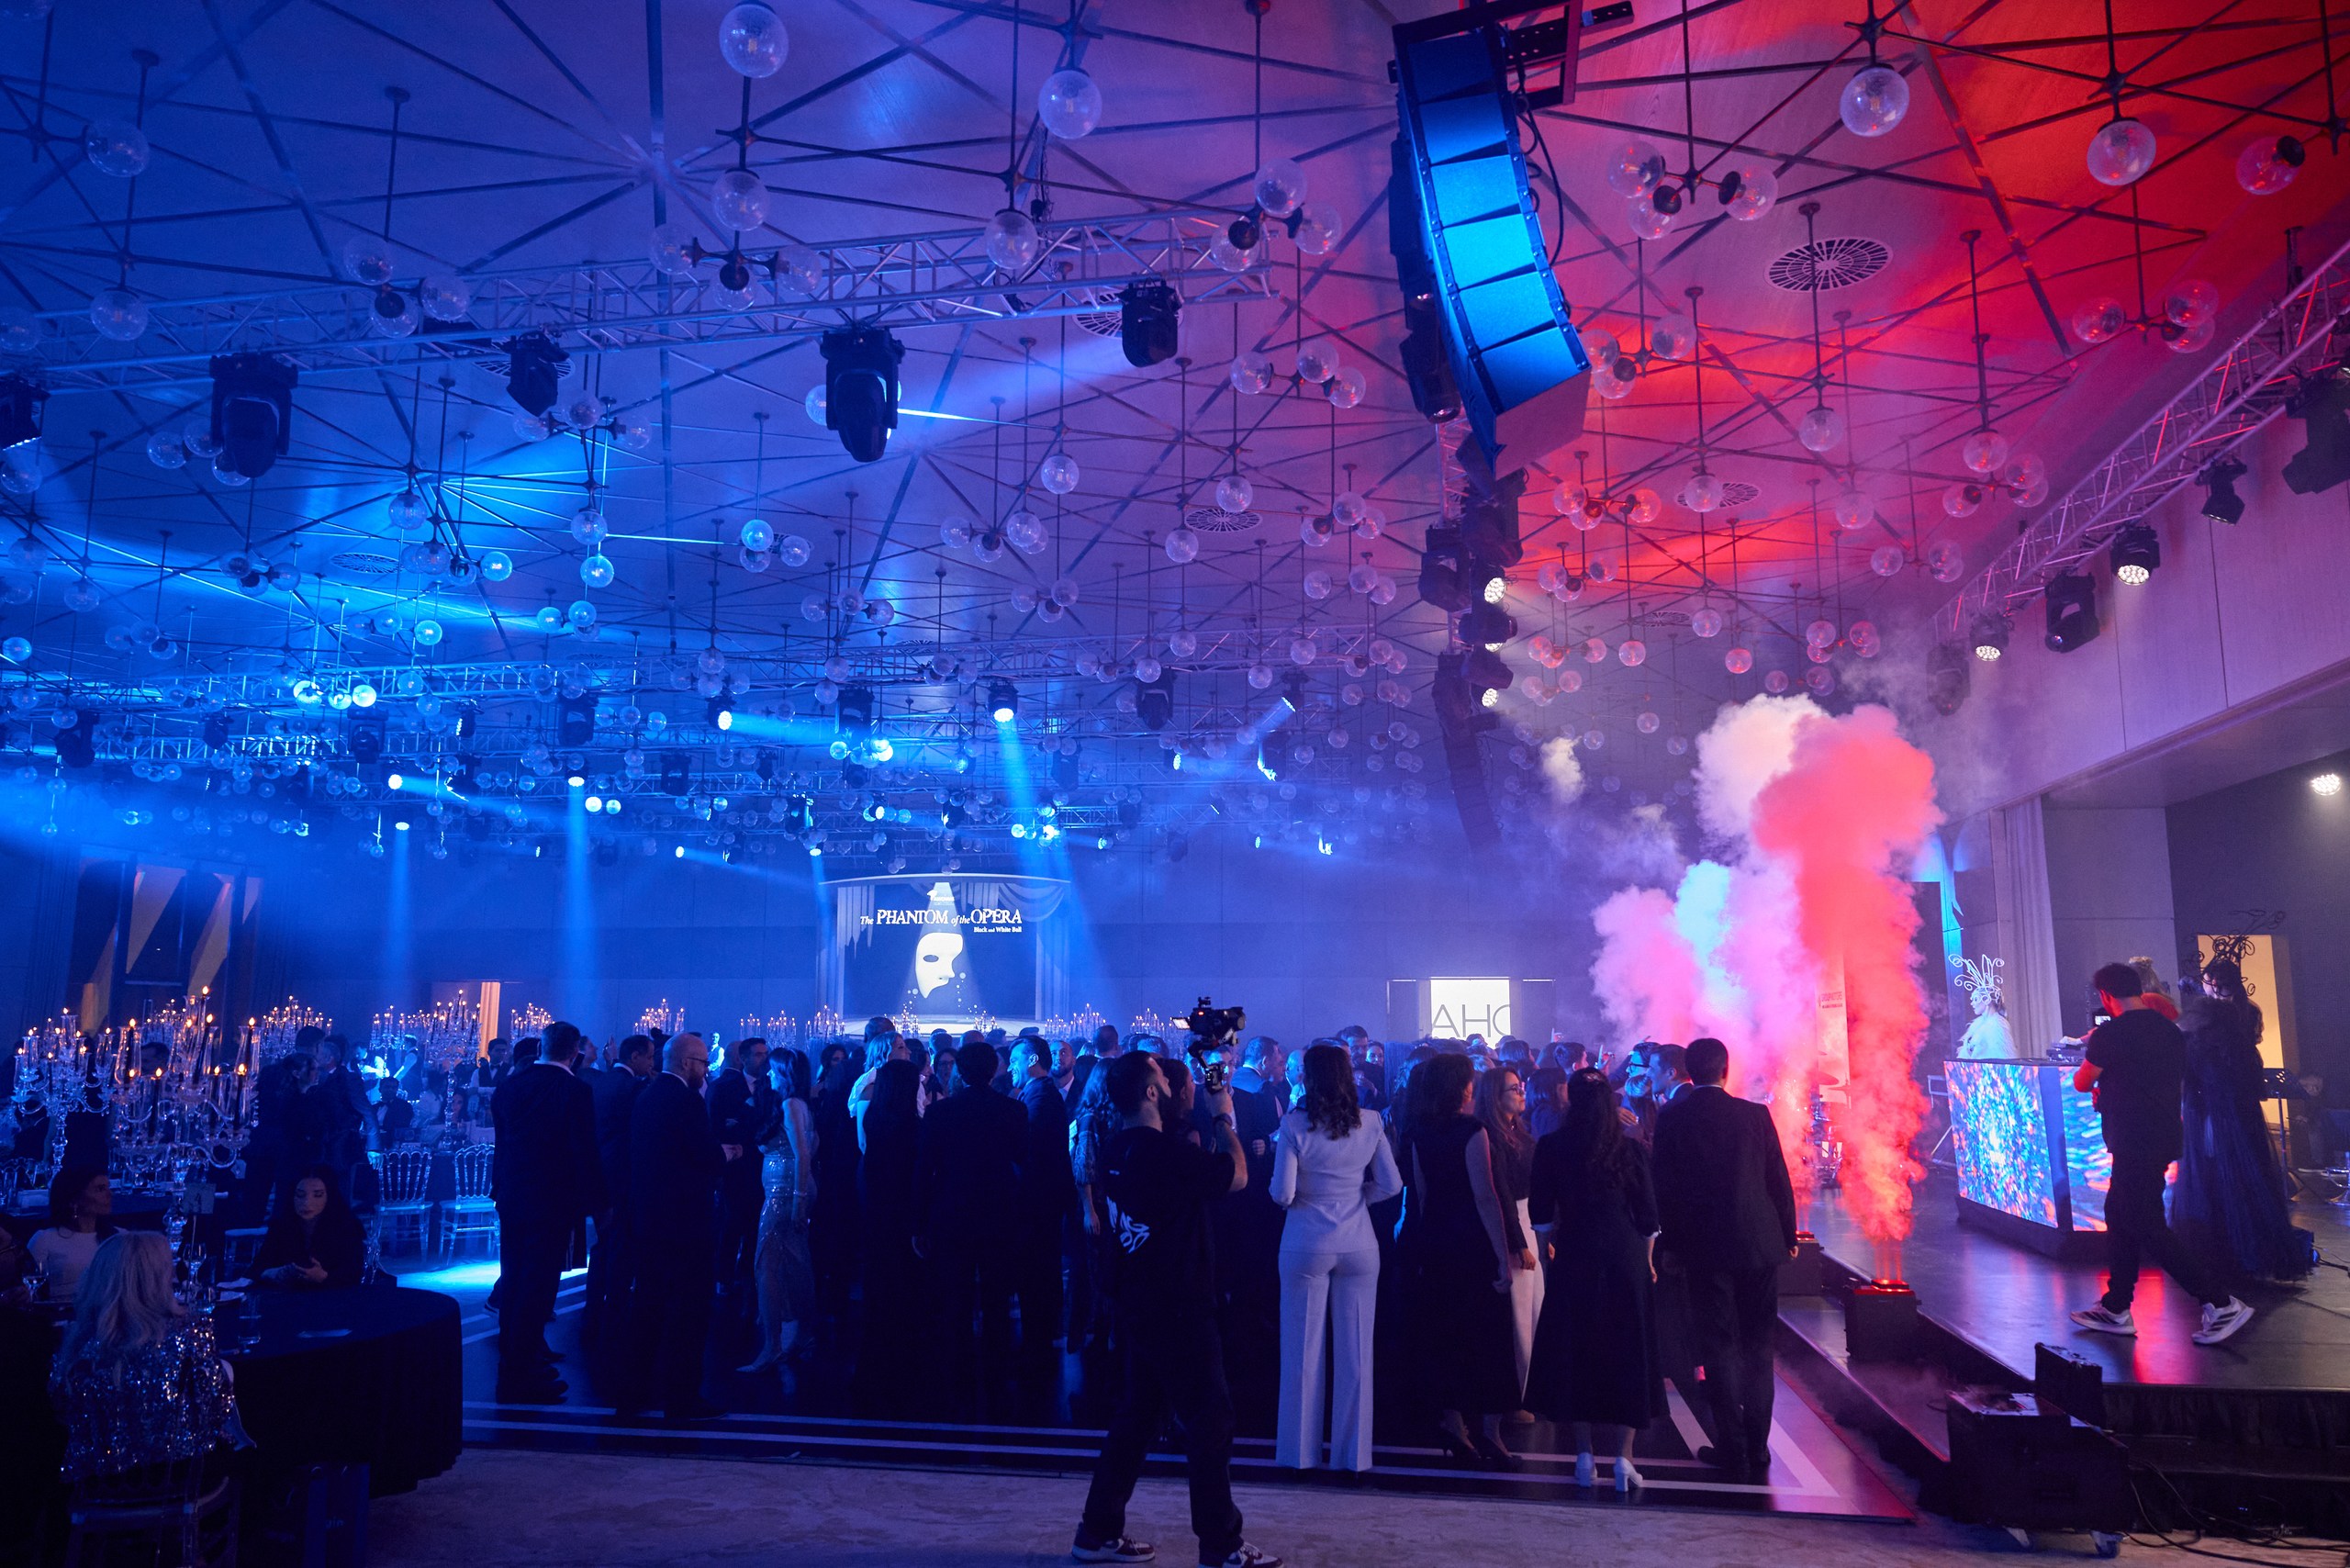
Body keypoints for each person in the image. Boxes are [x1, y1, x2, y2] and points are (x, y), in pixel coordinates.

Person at [1073, 1050, 1279, 1568]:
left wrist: (1211, 1087)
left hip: (1140, 1302)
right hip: (1179, 1305)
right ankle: (1221, 1545)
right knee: (1210, 1421)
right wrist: (1223, 1115)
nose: (1170, 1084)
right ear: (1149, 1093)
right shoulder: (1163, 1153)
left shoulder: (1119, 1147)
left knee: (1137, 1419)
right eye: (1163, 1079)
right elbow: (1236, 1176)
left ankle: (1096, 1532)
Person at [2069, 963, 2255, 1346]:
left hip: (2132, 1139)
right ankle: (2116, 1306)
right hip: (2162, 1135)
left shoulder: (2110, 1034)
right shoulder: (2170, 1030)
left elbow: (2081, 1081)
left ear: (2105, 995)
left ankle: (2220, 1302)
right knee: (2118, 1213)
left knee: (2146, 1224)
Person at [1651, 1037, 1796, 1482]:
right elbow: (1778, 1179)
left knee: (1718, 1348)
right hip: (1759, 1245)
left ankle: (1732, 1449)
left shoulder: (1673, 1117)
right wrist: (1788, 1235)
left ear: (1689, 1072)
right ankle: (1759, 1447)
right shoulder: (1755, 1115)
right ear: (1726, 1070)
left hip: (1704, 1248)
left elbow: (1665, 1189)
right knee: (1759, 1347)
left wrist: (1669, 1246)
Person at [1527, 1069, 1662, 1492]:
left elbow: (1541, 1215)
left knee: (1577, 1350)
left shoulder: (1552, 1146)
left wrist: (1547, 1256)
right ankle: (1624, 1459)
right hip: (1624, 1256)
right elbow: (1648, 1218)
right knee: (1628, 1351)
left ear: (1572, 1101)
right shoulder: (1629, 1148)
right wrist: (1648, 1262)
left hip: (1575, 1254)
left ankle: (1584, 1456)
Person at [1269, 1042, 1400, 1473]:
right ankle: (1353, 1458)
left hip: (1305, 1242)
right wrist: (1358, 1197)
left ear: (1308, 1078)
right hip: (1359, 1240)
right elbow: (1392, 1184)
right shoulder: (1371, 1122)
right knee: (1357, 1354)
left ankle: (1298, 1456)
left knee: (1301, 1353)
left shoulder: (1294, 1124)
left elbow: (1283, 1193)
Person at [1396, 1051, 1521, 1468]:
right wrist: (1502, 1255)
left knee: (1446, 1336)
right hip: (1471, 1241)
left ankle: (1455, 1426)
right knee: (1490, 1337)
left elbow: (1421, 1195)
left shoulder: (1417, 1131)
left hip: (1436, 1241)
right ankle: (1491, 1434)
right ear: (1461, 1088)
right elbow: (1485, 1196)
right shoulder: (1473, 1130)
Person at [50, 1233, 238, 1483]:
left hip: (96, 1486)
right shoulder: (189, 1338)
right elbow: (216, 1412)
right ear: (159, 1279)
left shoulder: (77, 1347)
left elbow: (61, 1413)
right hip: (181, 1481)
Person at [2176, 958, 2314, 1285]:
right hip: (2234, 1104)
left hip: (2217, 1107)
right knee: (2242, 1172)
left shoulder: (2213, 1022)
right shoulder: (2242, 1015)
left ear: (2215, 983)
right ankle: (2246, 1249)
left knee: (2222, 1171)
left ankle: (2226, 1249)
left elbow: (2203, 1068)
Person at [489, 1019, 604, 1403]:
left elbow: (502, 1146)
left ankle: (514, 1365)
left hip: (511, 1197)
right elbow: (584, 1153)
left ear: (541, 1047)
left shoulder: (509, 1086)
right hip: (552, 1200)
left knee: (514, 1279)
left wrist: (499, 1189)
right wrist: (598, 1206)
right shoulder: (575, 1090)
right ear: (574, 1053)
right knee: (538, 1287)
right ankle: (521, 1375)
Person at [916, 1036, 1029, 1416]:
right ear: (994, 1070)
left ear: (960, 1073)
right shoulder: (1013, 1110)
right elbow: (1023, 1160)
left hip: (952, 1213)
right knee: (997, 1299)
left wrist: (919, 1222)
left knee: (957, 1299)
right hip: (999, 1212)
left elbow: (925, 1171)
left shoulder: (940, 1113)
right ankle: (996, 1373)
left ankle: (959, 1375)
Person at [628, 1033, 728, 1418]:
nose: (706, 1070)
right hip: (686, 1221)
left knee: (648, 1306)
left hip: (650, 1218)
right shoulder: (687, 1101)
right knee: (689, 1310)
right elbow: (705, 1155)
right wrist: (726, 1155)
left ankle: (635, 1391)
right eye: (703, 1063)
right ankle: (681, 1395)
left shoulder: (647, 1095)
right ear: (687, 1063)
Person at [853, 1058, 924, 1415]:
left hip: (877, 1214)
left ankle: (875, 1365)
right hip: (904, 1217)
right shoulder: (914, 1127)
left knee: (879, 1290)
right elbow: (920, 1179)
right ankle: (905, 1367)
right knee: (906, 1291)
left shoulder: (873, 1120)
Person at [742, 1047, 819, 1372]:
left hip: (784, 1194)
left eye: (774, 1070)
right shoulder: (796, 1104)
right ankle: (801, 1334)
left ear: (786, 1073)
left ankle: (773, 1344)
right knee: (795, 1263)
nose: (769, 1075)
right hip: (786, 1191)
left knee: (766, 1264)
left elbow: (803, 1153)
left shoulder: (790, 1105)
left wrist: (799, 1200)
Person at [1472, 1063, 1542, 1402]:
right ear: (1494, 1097)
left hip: (1528, 1223)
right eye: (1514, 1089)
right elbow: (1500, 1194)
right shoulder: (1490, 1137)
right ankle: (1519, 1394)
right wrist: (1518, 1243)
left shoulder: (1519, 1132)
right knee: (1519, 1314)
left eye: (1520, 1086)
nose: (1521, 1092)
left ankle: (1533, 1389)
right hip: (1513, 1224)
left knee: (1535, 1308)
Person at [586, 1034, 655, 1344]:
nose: (652, 1064)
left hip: (600, 1172)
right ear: (635, 1057)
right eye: (649, 1057)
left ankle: (592, 1313)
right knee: (621, 1249)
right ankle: (614, 1317)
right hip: (623, 1176)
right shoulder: (633, 1088)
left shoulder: (601, 1082)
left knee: (602, 1247)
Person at [1013, 1035, 1075, 1368]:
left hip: (1039, 1199)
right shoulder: (1039, 1092)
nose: (1011, 1067)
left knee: (1038, 1268)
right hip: (1043, 1198)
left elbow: (1029, 1146)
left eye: (1015, 1060)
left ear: (1032, 1060)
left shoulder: (1040, 1096)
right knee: (1041, 1266)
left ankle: (1039, 1340)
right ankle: (1042, 1334)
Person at [709, 1036, 773, 1302]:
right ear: (743, 1058)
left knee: (757, 1222)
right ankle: (723, 1276)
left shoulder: (771, 1085)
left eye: (765, 1054)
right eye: (758, 1054)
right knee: (732, 1221)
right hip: (735, 1165)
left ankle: (747, 1273)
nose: (764, 1059)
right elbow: (716, 1126)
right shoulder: (725, 1087)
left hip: (763, 1164)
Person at [253, 1164, 366, 1288]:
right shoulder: (281, 1226)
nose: (307, 1203)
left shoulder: (347, 1227)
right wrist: (272, 1273)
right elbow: (257, 1269)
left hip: (332, 1296)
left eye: (317, 1195)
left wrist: (325, 1277)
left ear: (329, 1196)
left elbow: (356, 1274)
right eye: (300, 1195)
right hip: (287, 1296)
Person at [31, 1167, 115, 1303]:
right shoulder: (45, 1240)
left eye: (108, 1187)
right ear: (73, 1200)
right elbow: (31, 1290)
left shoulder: (119, 1237)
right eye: (100, 1189)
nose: (110, 1194)